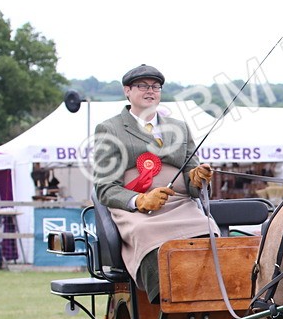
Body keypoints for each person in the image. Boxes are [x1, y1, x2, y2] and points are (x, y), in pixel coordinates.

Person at [91, 64, 215, 303]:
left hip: (181, 206)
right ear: (127, 91)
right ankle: (165, 302)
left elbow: (191, 180)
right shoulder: (110, 129)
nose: (150, 91)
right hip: (137, 211)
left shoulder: (179, 127)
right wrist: (140, 200)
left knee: (207, 226)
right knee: (145, 232)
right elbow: (105, 188)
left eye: (155, 86)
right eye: (142, 86)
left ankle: (215, 293)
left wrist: (197, 179)